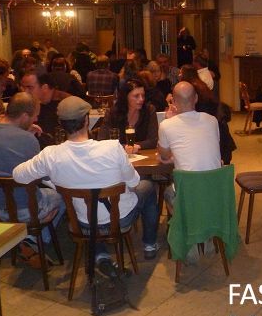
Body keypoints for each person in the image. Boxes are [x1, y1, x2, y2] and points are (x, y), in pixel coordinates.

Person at [12, 96, 160, 270]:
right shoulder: (112, 147)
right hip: (119, 220)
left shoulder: (49, 155)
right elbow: (134, 182)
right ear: (87, 121)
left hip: (82, 224)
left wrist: (53, 182)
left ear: (61, 123)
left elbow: (18, 175)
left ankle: (101, 255)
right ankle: (149, 244)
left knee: (90, 210)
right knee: (148, 186)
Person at [0, 93, 65, 267]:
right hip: (27, 211)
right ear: (24, 116)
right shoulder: (28, 139)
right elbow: (42, 176)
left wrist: (24, 132)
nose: (36, 119)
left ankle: (26, 240)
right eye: (34, 116)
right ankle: (33, 240)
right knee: (61, 195)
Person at [158, 82, 221, 213]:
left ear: (174, 102)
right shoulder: (212, 120)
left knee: (168, 192)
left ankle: (184, 224)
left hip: (189, 193)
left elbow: (164, 156)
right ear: (196, 98)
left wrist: (168, 120)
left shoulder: (166, 125)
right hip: (216, 189)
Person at [20, 71, 69, 146]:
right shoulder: (27, 102)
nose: (24, 91)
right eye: (23, 87)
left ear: (45, 87)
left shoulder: (66, 104)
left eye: (29, 87)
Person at [107, 79, 158, 151]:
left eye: (143, 95)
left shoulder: (149, 110)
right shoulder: (113, 113)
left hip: (143, 155)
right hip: (117, 154)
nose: (141, 99)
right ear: (125, 97)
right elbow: (102, 140)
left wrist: (135, 146)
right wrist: (125, 147)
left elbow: (153, 141)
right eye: (136, 96)